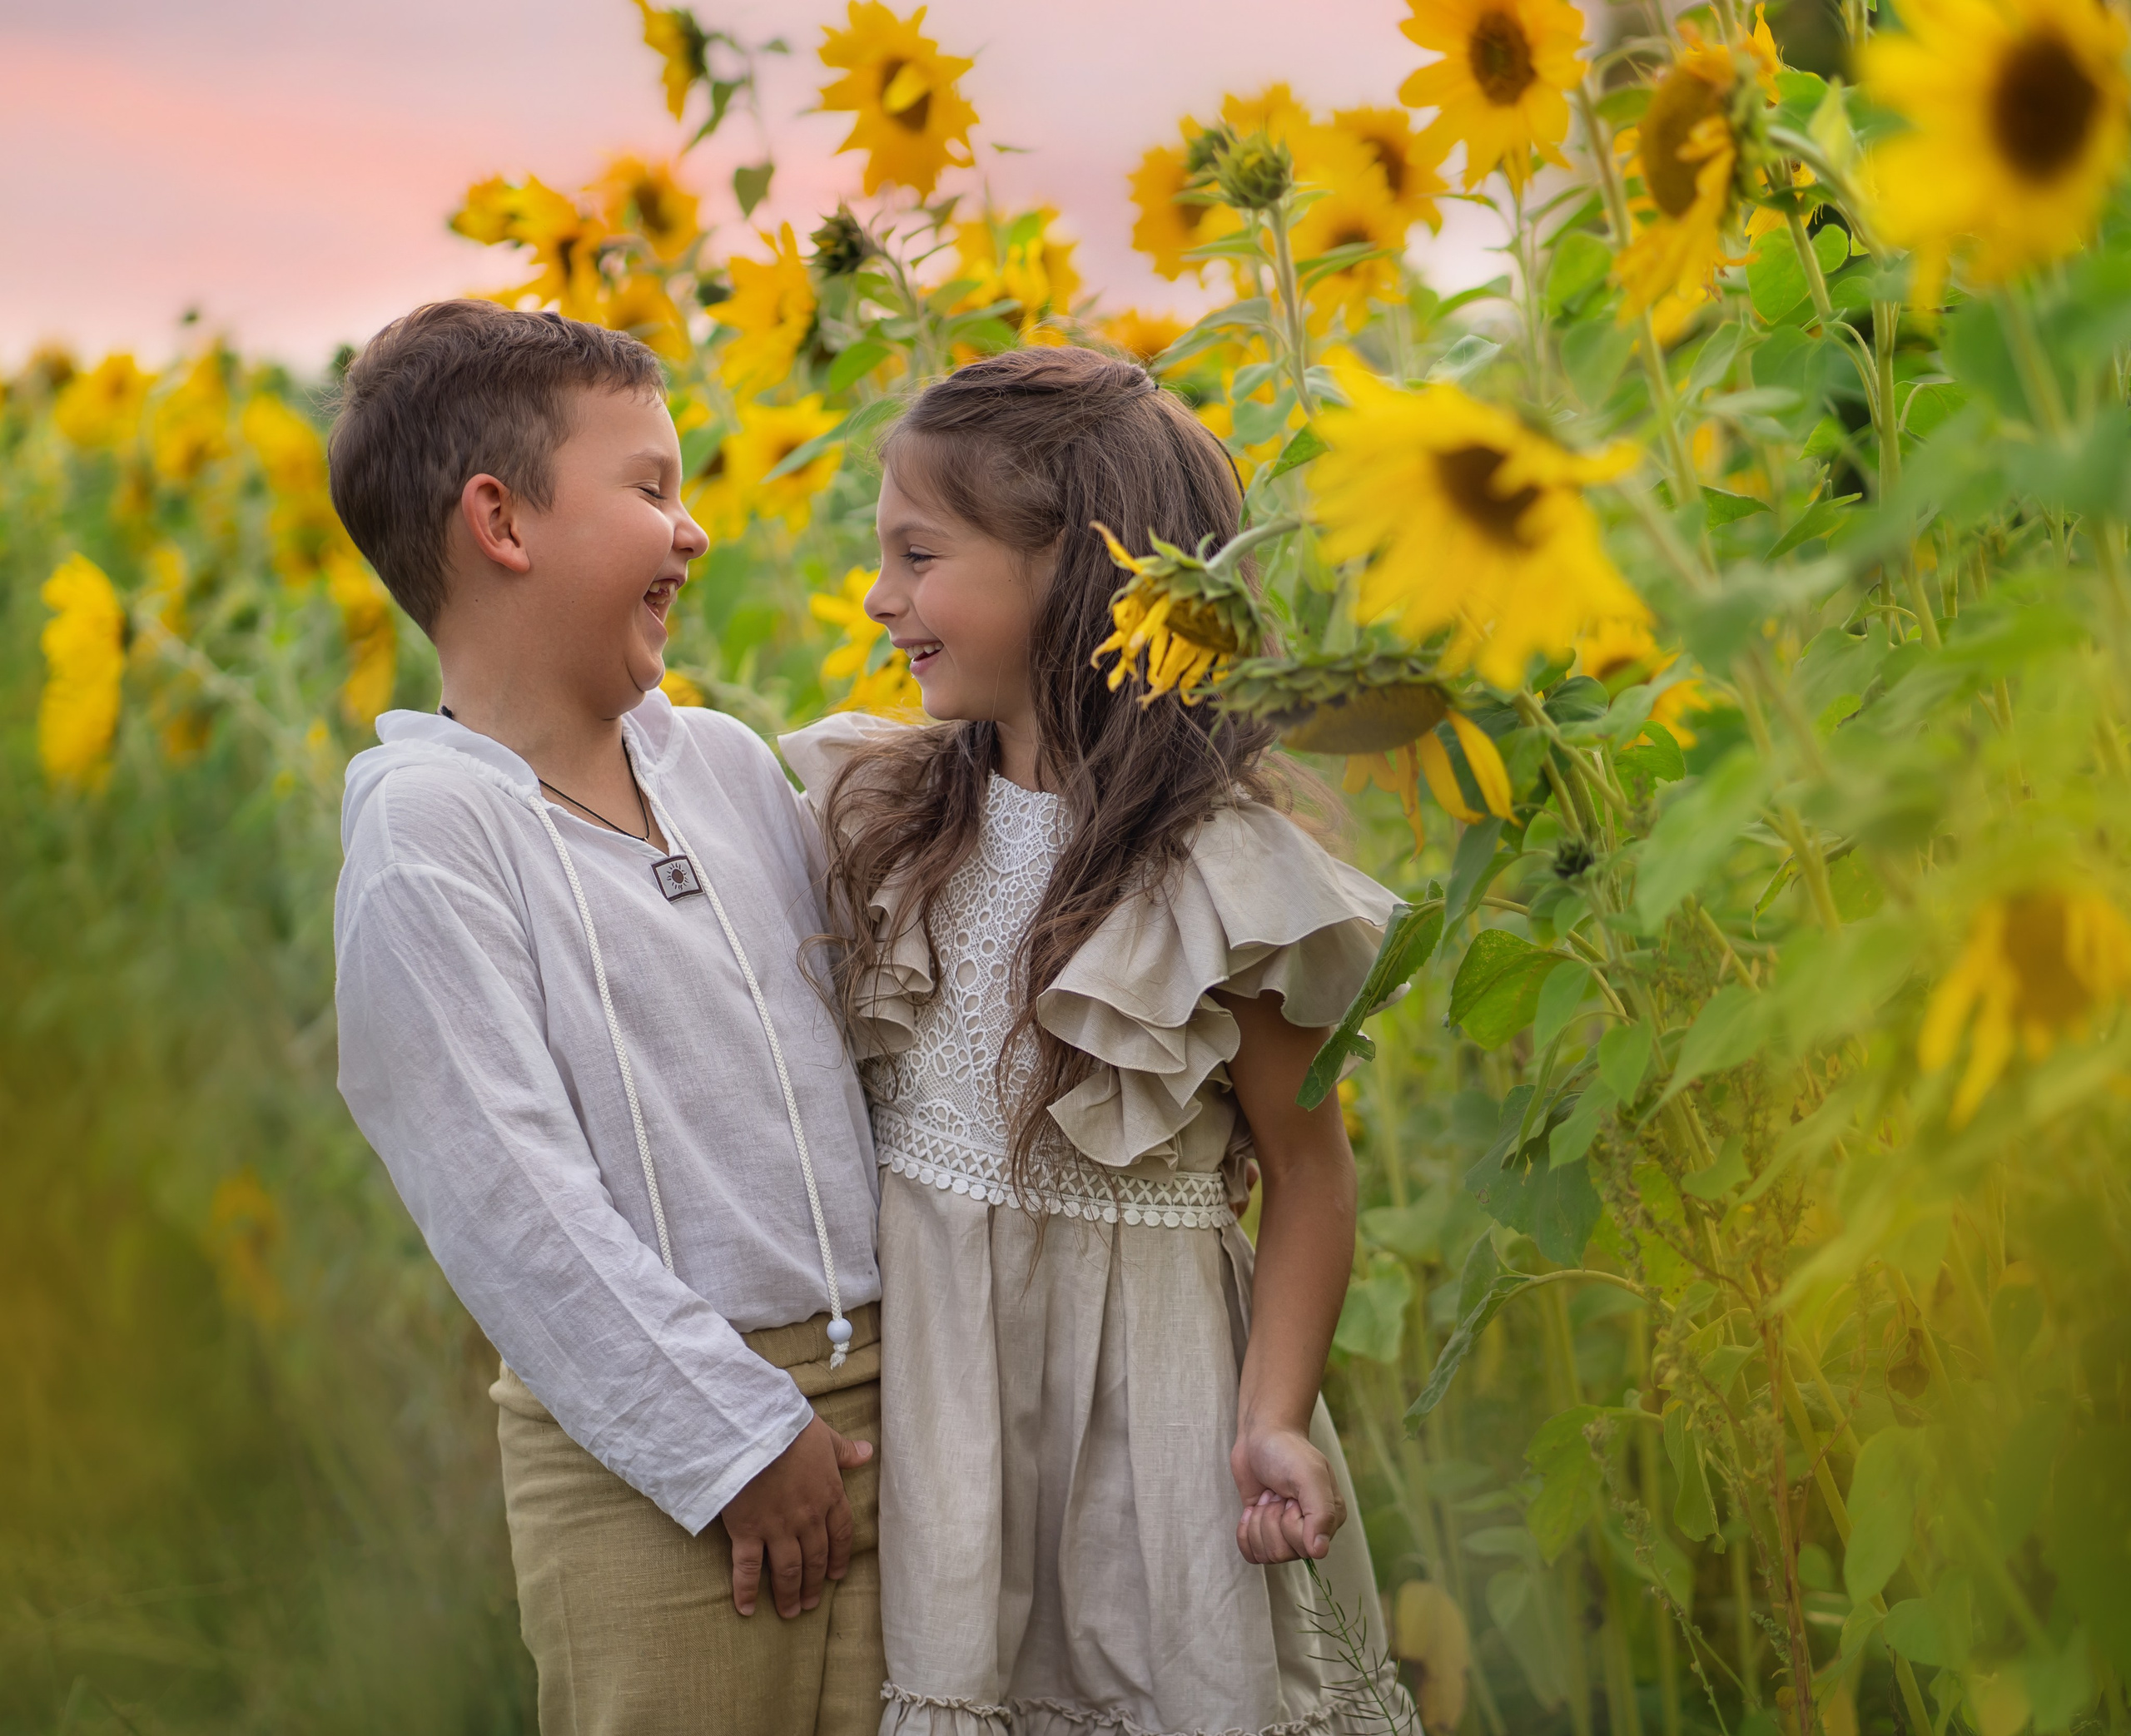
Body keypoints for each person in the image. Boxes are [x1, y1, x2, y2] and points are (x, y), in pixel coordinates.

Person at [781, 345, 1414, 1735]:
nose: (884, 597)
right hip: (942, 1422)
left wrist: (1275, 1416)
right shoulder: (886, 817)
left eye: (919, 553)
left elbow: (1311, 1173)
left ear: (1073, 570)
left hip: (1157, 1427)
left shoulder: (1216, 878)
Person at [329, 300, 885, 1736]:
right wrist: (732, 1437)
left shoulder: (720, 762)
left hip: (886, 1400)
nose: (691, 531)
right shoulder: (432, 832)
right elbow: (507, 1194)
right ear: (501, 521)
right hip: (650, 1453)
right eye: (650, 486)